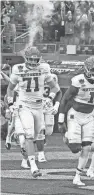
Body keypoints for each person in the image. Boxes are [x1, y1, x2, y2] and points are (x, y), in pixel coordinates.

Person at [6, 46, 60, 178]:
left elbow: (55, 88)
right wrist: (10, 104)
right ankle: (33, 166)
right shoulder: (18, 69)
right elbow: (10, 89)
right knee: (29, 135)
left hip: (39, 107)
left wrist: (50, 98)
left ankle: (26, 156)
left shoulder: (44, 68)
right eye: (31, 59)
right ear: (26, 58)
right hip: (24, 106)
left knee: (38, 136)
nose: (33, 62)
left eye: (36, 60)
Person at [58, 56, 94, 186]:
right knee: (75, 148)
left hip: (89, 117)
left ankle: (77, 176)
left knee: (87, 148)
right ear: (86, 69)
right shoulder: (78, 81)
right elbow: (64, 100)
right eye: (93, 69)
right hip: (75, 115)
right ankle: (67, 137)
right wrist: (61, 120)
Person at [36, 73, 62, 162]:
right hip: (36, 106)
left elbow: (58, 92)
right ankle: (41, 154)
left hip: (48, 106)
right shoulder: (33, 76)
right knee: (40, 129)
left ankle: (40, 139)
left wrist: (56, 105)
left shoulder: (52, 77)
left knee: (49, 130)